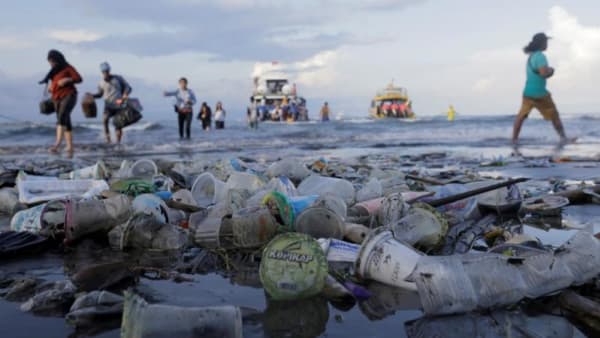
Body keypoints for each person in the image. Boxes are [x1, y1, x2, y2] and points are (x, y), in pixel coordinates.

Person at [512, 33, 570, 146]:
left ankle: (514, 140)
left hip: (527, 93)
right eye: (546, 42)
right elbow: (543, 73)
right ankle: (563, 138)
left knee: (521, 117)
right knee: (554, 116)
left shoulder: (531, 56)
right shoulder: (540, 56)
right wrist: (551, 71)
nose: (547, 44)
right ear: (542, 43)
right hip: (540, 94)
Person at [40, 50, 82, 156]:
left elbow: (79, 78)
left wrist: (67, 79)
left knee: (62, 116)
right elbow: (54, 83)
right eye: (50, 62)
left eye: (52, 61)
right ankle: (70, 147)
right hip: (56, 98)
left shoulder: (68, 67)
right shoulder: (53, 71)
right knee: (66, 121)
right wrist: (51, 87)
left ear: (58, 59)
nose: (51, 64)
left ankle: (57, 144)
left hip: (69, 95)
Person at [89, 62, 132, 144]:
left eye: (107, 71)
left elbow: (128, 87)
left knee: (118, 125)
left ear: (109, 71)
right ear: (102, 72)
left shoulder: (118, 78)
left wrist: (125, 94)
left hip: (119, 104)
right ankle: (108, 141)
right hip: (108, 105)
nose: (106, 73)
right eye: (104, 72)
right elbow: (100, 94)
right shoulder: (101, 83)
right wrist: (92, 96)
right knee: (105, 120)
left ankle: (118, 143)